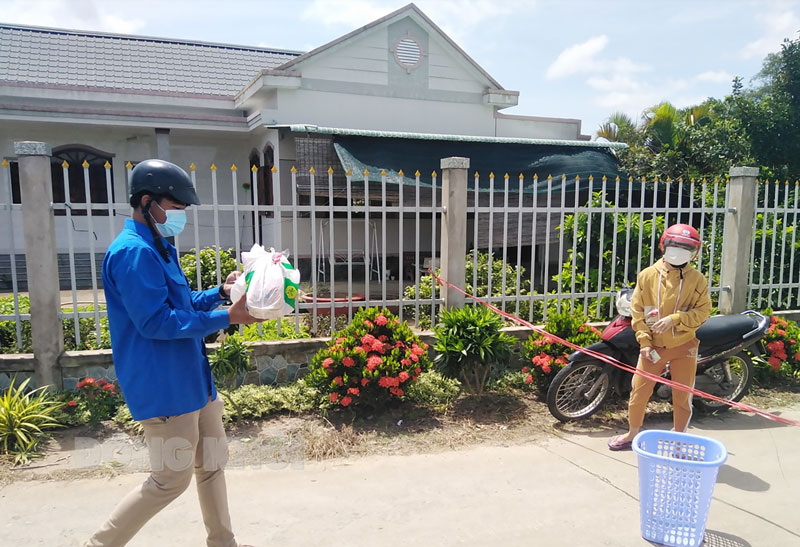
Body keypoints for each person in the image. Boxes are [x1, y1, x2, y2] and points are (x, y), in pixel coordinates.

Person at [85, 159, 259, 546]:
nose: (180, 216)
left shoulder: (159, 246)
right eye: (176, 208)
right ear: (148, 202)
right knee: (168, 480)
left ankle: (222, 542)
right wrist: (227, 317)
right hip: (164, 388)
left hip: (194, 382)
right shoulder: (133, 253)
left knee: (212, 465)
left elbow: (180, 304)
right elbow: (156, 322)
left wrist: (219, 293)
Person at [608, 224, 711, 451]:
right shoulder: (647, 276)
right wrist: (644, 342)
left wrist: (676, 319)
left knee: (683, 394)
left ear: (694, 252)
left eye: (686, 247)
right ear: (664, 245)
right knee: (639, 390)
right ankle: (632, 432)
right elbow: (637, 310)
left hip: (684, 345)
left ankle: (679, 439)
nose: (679, 251)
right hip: (652, 347)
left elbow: (703, 312)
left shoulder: (697, 280)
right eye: (675, 245)